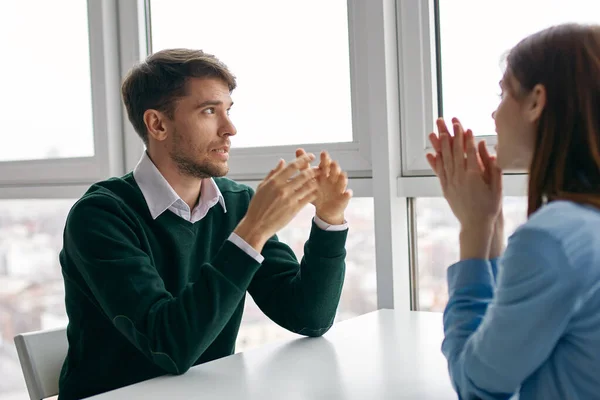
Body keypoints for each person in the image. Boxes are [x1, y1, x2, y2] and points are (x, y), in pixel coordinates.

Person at [57, 48, 352, 399]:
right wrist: (252, 231)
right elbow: (169, 347)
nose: (230, 129)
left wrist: (329, 221)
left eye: (228, 111)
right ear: (158, 124)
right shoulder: (101, 216)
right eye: (209, 111)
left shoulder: (236, 203)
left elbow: (309, 316)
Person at [427, 23, 600, 399]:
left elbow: (477, 385)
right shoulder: (582, 227)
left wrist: (473, 230)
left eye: (503, 92)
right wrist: (491, 228)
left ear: (537, 102)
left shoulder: (554, 237)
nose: (494, 113)